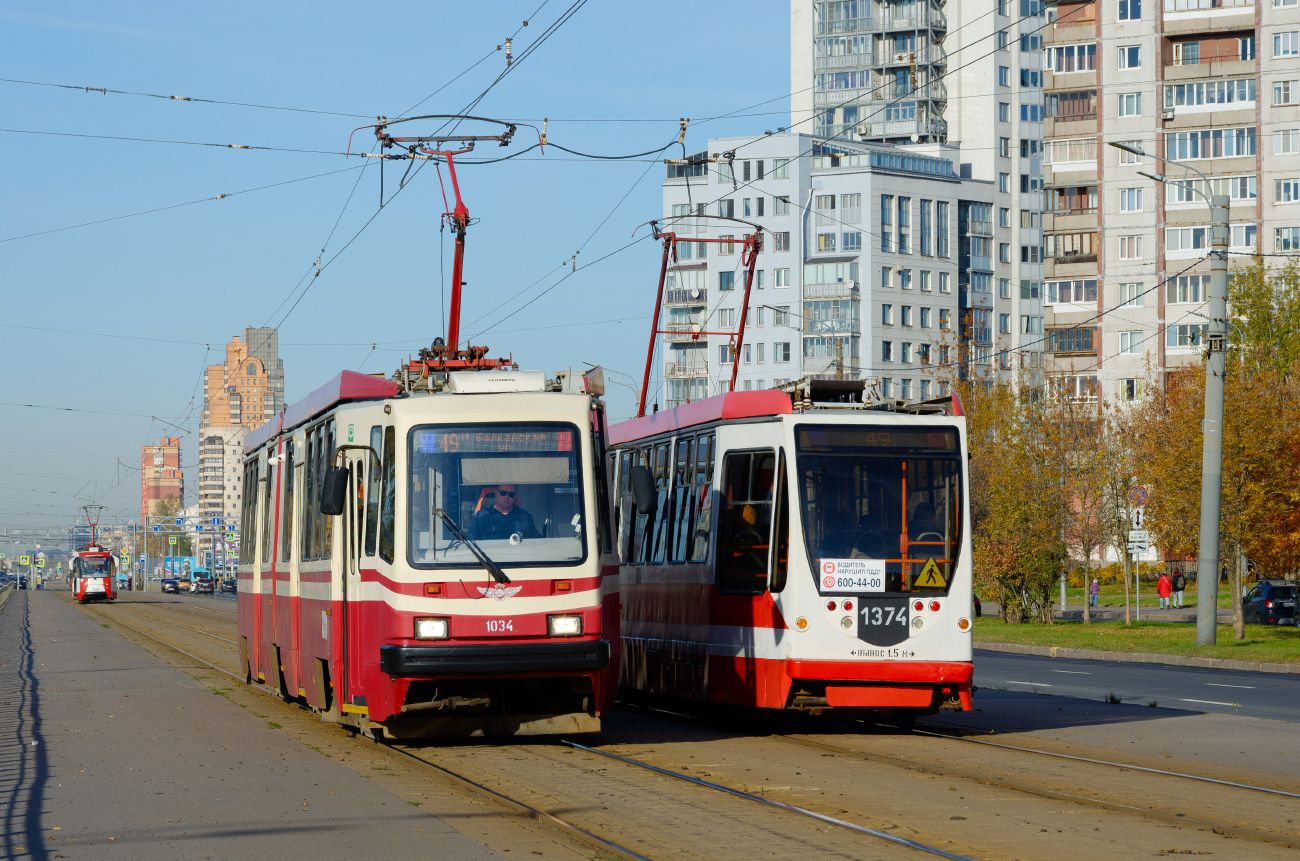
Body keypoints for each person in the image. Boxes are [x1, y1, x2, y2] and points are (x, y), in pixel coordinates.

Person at [470, 484, 539, 541]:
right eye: (503, 493)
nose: (507, 497)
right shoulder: (481, 516)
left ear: (515, 497)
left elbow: (537, 540)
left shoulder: (525, 516)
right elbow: (470, 541)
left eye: (511, 494)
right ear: (496, 493)